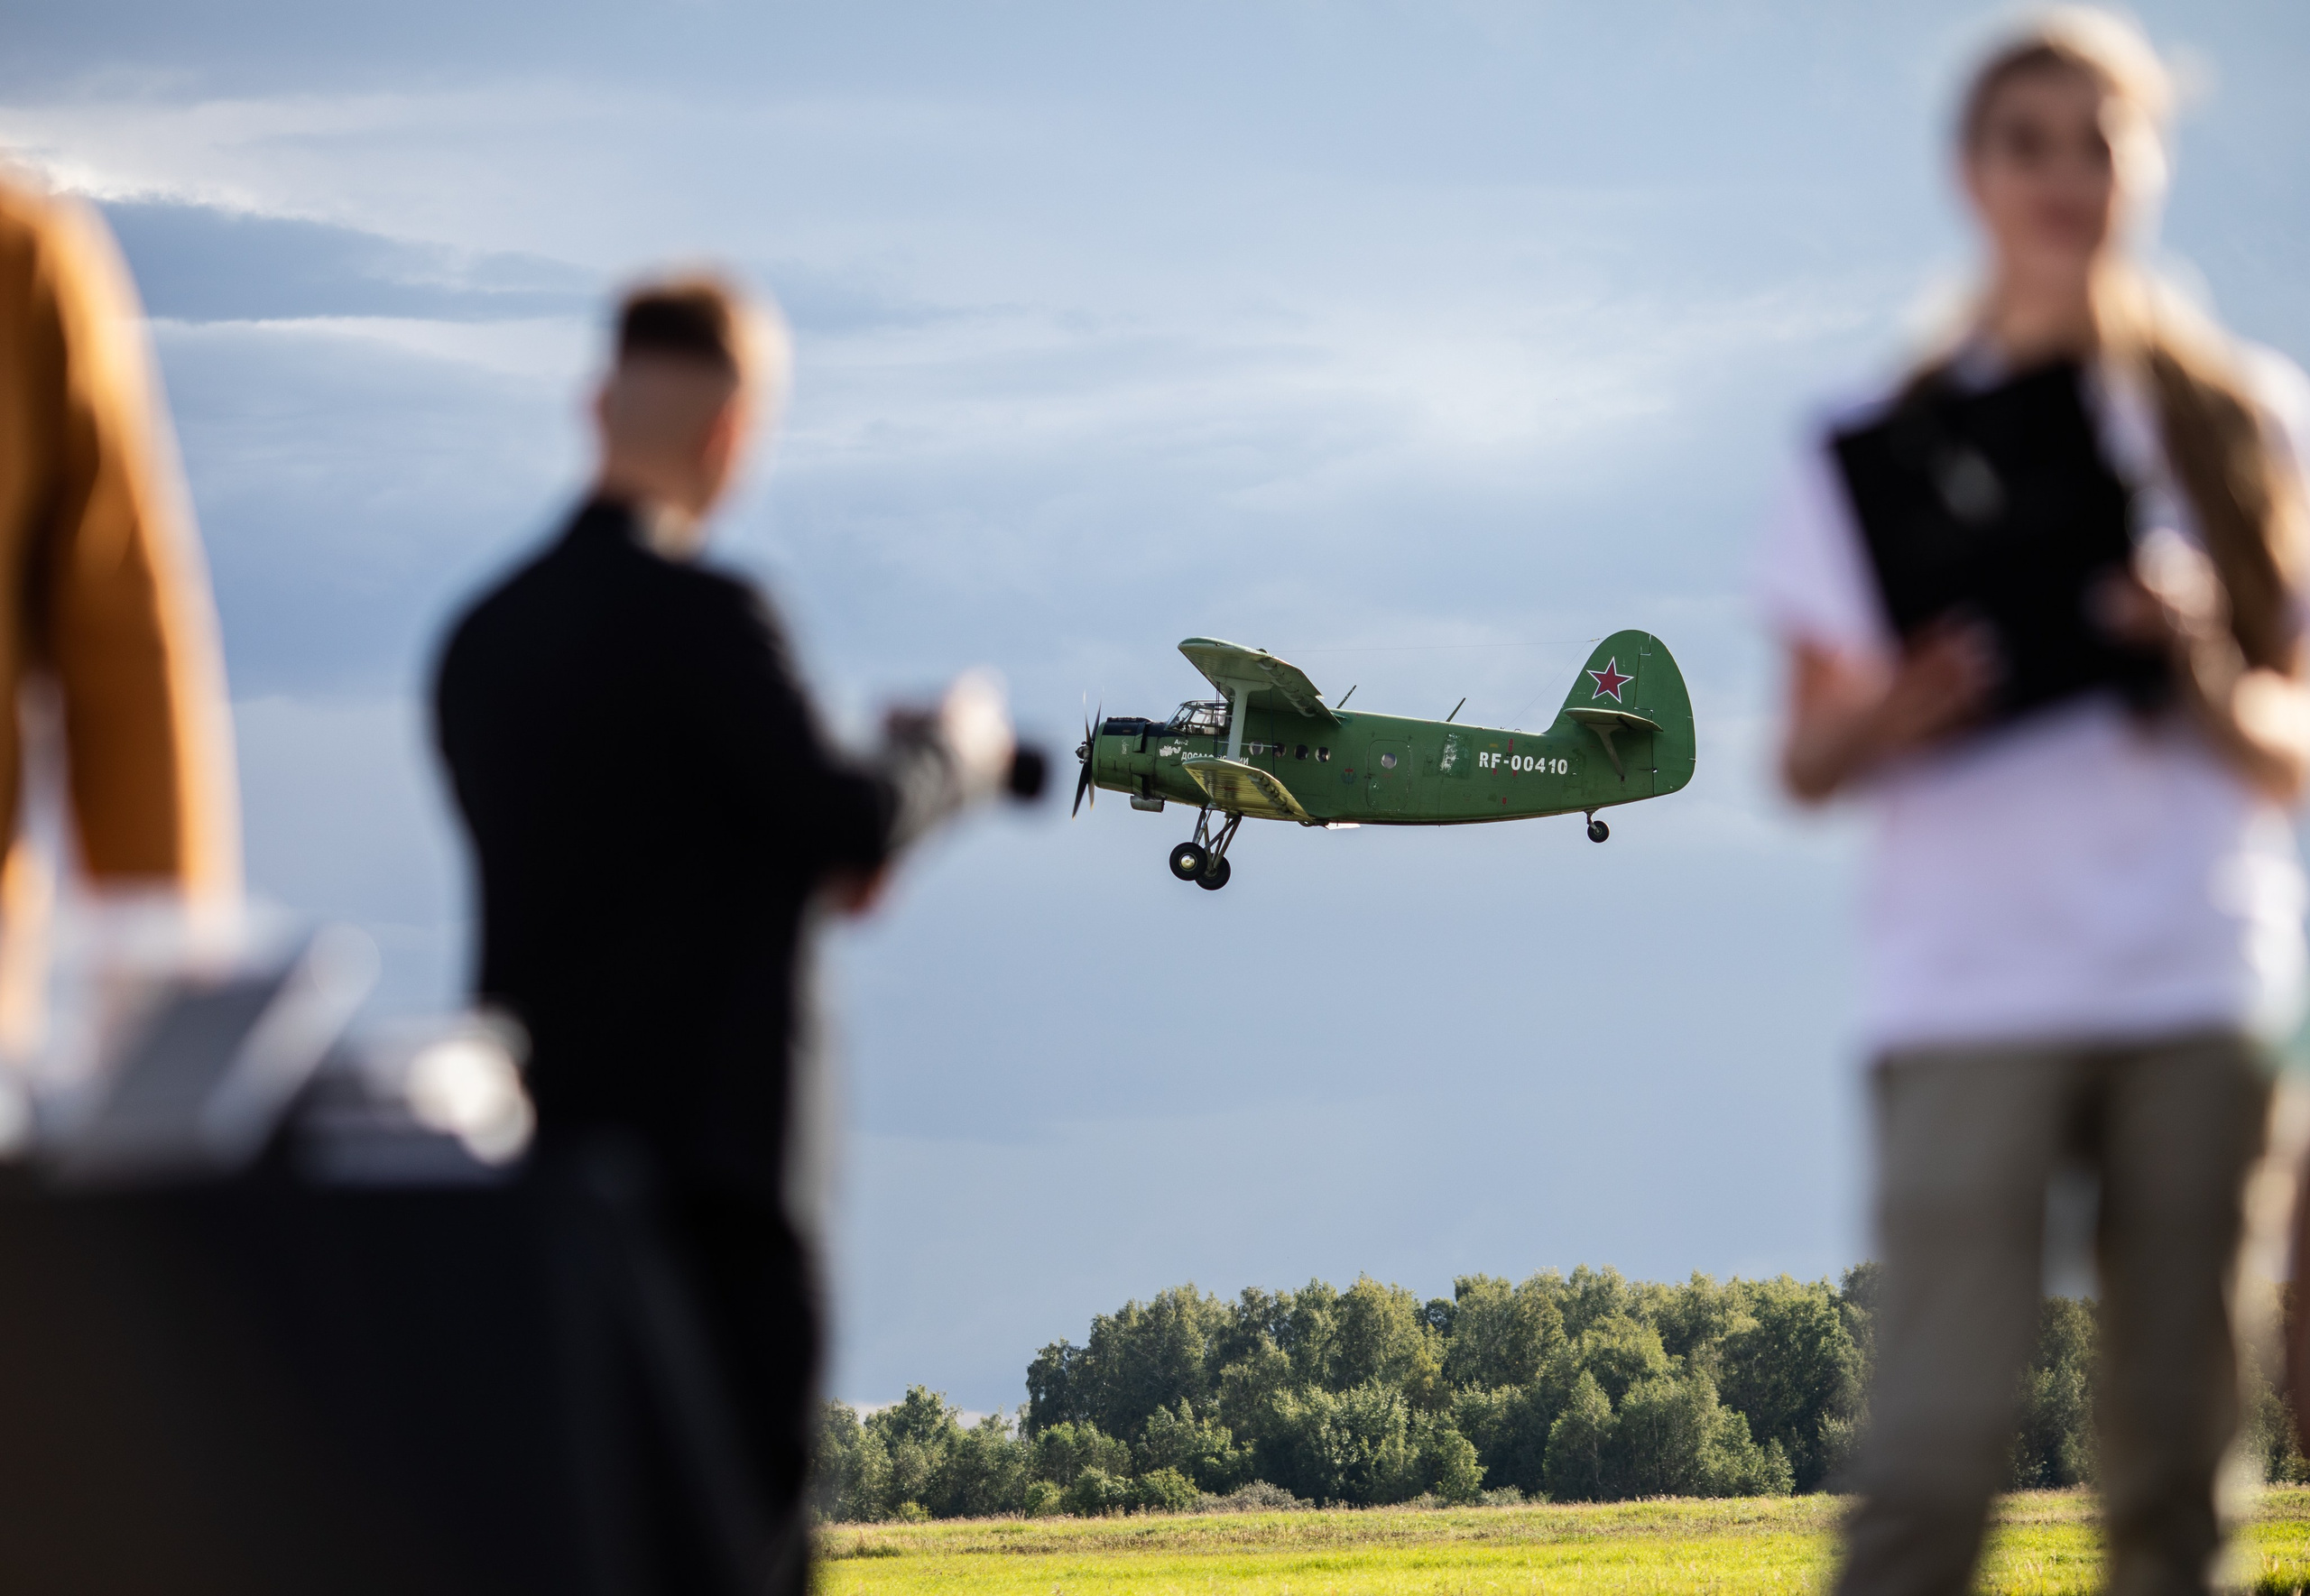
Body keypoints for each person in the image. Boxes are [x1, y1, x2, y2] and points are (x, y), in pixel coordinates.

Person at [1758, 13, 2310, 1594]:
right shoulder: (1866, 450)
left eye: (2102, 139)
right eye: (2028, 140)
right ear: (1969, 174)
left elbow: (2291, 748)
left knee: (2176, 1477)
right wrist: (1898, 704)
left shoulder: (2247, 422)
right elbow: (1801, 762)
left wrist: (2202, 657)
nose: (2067, 174)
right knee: (1926, 1469)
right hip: (1965, 987)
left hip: (2197, 984)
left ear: (2151, 164)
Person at [431, 274, 1012, 1586]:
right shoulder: (714, 621)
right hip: (724, 1199)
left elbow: (637, 855)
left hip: (548, 1182)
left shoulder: (480, 642)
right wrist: (956, 757)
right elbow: (845, 819)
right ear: (732, 436)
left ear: (595, 405)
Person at [0, 170, 241, 1047]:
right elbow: (126, 673)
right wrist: (168, 1034)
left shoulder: (22, 263)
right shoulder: (21, 258)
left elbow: (124, 672)